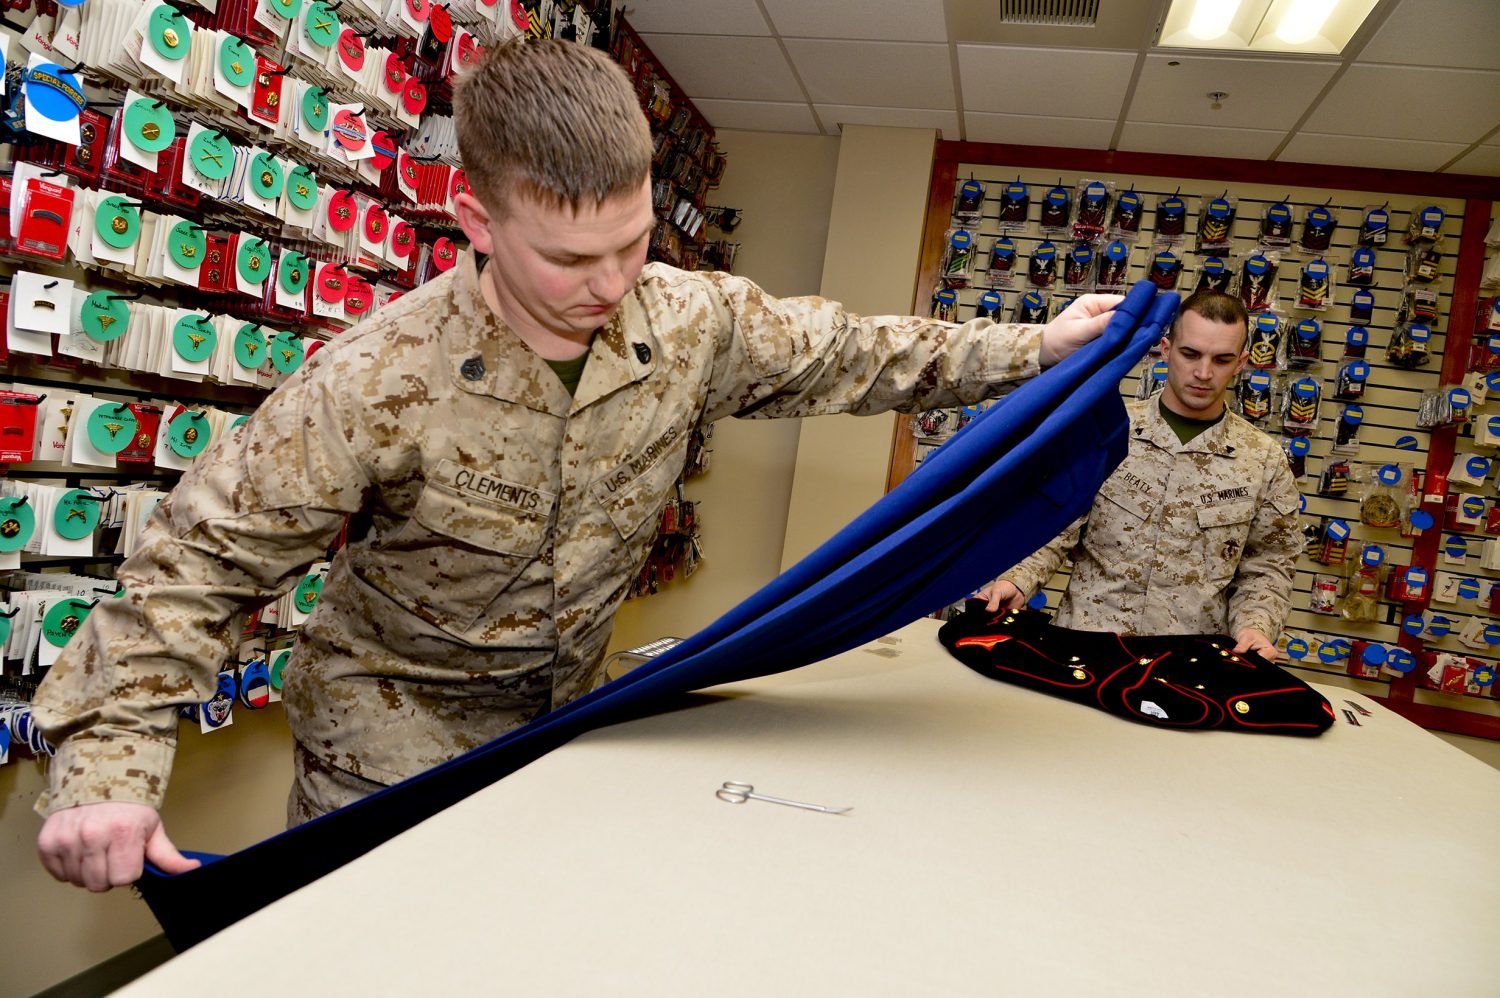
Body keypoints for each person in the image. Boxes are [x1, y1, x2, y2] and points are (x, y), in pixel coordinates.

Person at [34, 38, 1124, 892]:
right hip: (389, 738)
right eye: (568, 256)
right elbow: (192, 571)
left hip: (568, 722)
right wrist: (104, 779)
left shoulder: (690, 321)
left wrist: (1037, 349)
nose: (610, 281)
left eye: (634, 240)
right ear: (477, 217)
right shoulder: (371, 382)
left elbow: (858, 352)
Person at [978, 289, 1300, 661]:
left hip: (1190, 663)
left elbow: (1268, 565)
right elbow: (1054, 529)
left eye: (1222, 359)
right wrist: (1015, 580)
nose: (1203, 372)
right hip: (1086, 651)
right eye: (1190, 353)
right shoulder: (1106, 431)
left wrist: (1254, 627)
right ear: (1165, 350)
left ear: (1241, 362)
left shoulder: (1263, 460)